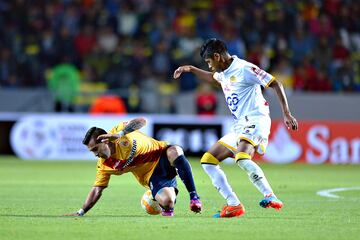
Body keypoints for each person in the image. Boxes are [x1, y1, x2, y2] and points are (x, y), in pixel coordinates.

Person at [173, 38, 298, 218]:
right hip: (240, 124)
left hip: (256, 119)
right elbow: (214, 79)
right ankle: (233, 204)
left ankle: (271, 196)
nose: (209, 66)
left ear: (217, 56)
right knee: (208, 160)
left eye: (209, 62)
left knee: (241, 157)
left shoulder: (245, 69)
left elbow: (275, 83)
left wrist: (286, 113)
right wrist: (191, 69)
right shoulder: (223, 71)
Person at [65, 117, 202, 217]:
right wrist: (81, 212)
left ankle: (194, 197)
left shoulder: (119, 131)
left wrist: (120, 134)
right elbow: (97, 190)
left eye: (96, 149)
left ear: (104, 140)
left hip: (161, 153)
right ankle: (158, 197)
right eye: (92, 152)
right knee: (168, 201)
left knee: (175, 151)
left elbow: (142, 121)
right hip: (151, 176)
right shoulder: (104, 165)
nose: (96, 154)